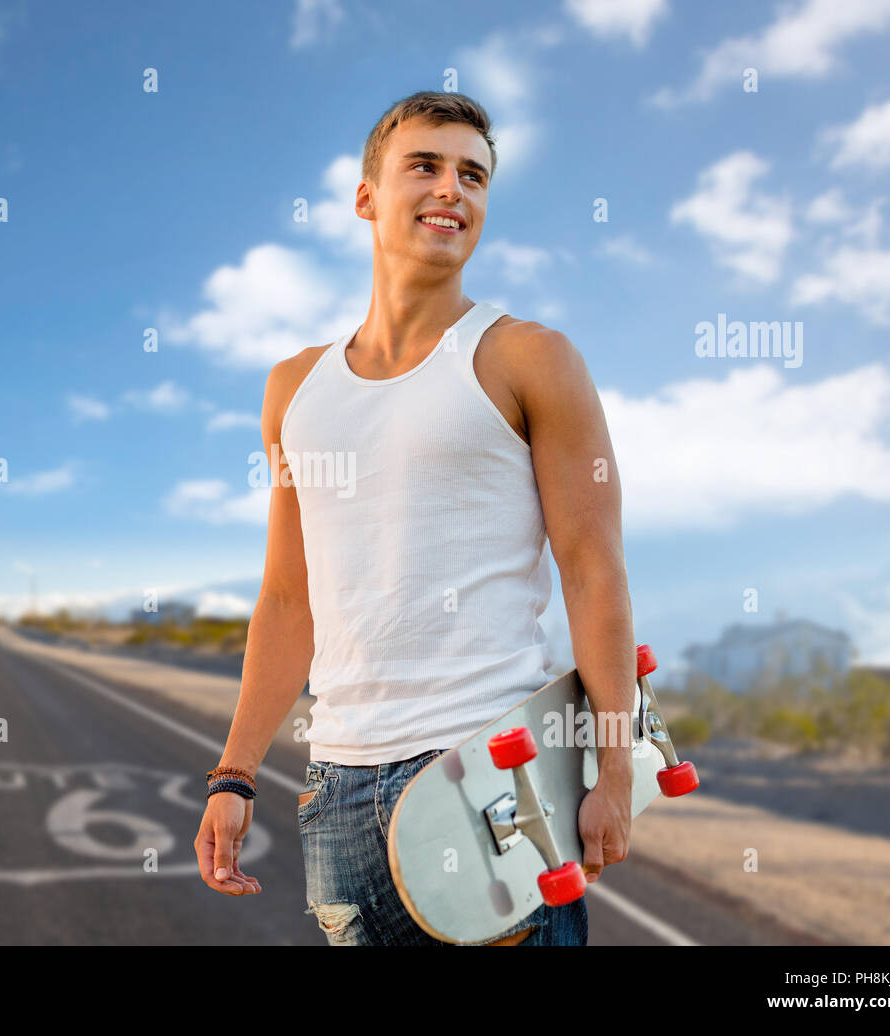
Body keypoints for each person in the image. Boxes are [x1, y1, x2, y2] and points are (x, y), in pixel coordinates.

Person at [194, 91, 634, 946]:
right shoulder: (294, 388)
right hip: (338, 794)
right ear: (366, 196)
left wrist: (612, 761)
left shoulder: (529, 357)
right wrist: (234, 774)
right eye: (425, 165)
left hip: (490, 776)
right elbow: (289, 596)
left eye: (473, 175)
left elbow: (593, 569)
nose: (452, 190)